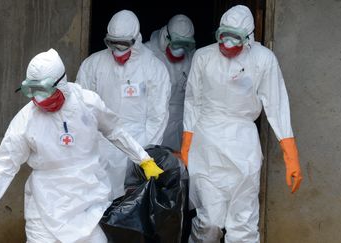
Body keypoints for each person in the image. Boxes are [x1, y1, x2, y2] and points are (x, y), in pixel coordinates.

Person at [0, 48, 164, 243]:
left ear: (61, 83)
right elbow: (5, 165)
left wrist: (143, 159)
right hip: (44, 208)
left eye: (44, 90)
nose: (38, 98)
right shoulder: (25, 121)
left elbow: (115, 130)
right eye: (33, 90)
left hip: (87, 204)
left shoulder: (88, 103)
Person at [179, 5, 303, 243]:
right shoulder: (203, 56)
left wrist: (291, 154)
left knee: (243, 223)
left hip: (243, 145)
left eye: (234, 40)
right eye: (222, 38)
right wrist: (187, 144)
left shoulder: (263, 59)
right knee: (209, 222)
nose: (226, 46)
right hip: (206, 145)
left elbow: (277, 105)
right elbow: (192, 101)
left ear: (248, 38)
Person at [76, 10, 171, 200]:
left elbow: (157, 117)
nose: (118, 50)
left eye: (124, 44)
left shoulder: (154, 68)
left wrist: (143, 156)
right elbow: (81, 110)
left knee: (127, 207)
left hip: (136, 147)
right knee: (95, 205)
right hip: (99, 148)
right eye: (113, 43)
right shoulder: (93, 64)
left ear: (136, 40)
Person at [145, 14, 196, 153]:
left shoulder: (193, 57)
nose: (180, 49)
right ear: (165, 38)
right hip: (152, 119)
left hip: (180, 123)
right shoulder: (147, 53)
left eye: (185, 44)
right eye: (176, 43)